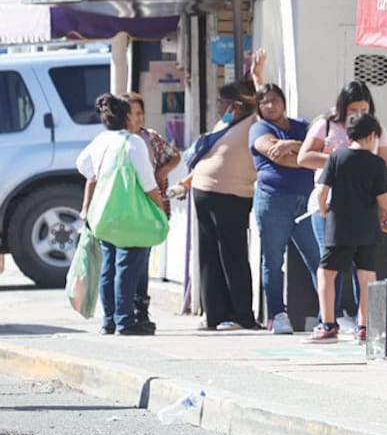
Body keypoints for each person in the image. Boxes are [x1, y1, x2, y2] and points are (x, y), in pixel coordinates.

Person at [297, 80, 387, 324]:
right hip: (332, 200)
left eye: (364, 109)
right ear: (343, 107)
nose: (358, 115)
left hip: (364, 201)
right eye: (353, 110)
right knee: (330, 259)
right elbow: (304, 157)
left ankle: (358, 321)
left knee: (358, 265)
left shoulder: (376, 128)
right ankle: (331, 316)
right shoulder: (325, 124)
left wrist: (385, 204)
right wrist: (339, 161)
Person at [172, 79, 262, 330]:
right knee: (209, 256)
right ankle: (214, 314)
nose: (219, 107)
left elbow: (264, 105)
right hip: (205, 192)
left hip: (232, 195)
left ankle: (240, 315)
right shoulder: (225, 124)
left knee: (232, 255)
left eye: (223, 103)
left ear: (237, 105)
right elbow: (208, 157)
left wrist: (258, 76)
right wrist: (186, 184)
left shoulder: (253, 124)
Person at [76, 94, 163, 336]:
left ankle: (109, 321)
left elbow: (83, 166)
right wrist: (160, 208)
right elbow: (148, 184)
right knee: (126, 266)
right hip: (129, 215)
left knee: (109, 267)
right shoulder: (133, 143)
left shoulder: (100, 141)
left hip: (102, 213)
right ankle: (125, 321)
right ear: (127, 116)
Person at [250, 83, 320, 335]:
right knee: (273, 260)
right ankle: (277, 315)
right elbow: (276, 154)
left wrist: (290, 144)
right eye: (265, 101)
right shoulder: (259, 128)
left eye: (275, 100)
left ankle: (329, 316)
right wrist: (302, 153)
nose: (271, 105)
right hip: (273, 201)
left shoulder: (301, 125)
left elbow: (320, 150)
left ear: (284, 101)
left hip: (305, 201)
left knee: (319, 259)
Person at [125, 93, 182, 334]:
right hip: (126, 211)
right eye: (130, 114)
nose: (135, 119)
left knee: (142, 261)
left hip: (150, 208)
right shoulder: (120, 142)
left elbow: (175, 156)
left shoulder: (150, 138)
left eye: (139, 114)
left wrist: (162, 172)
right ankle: (124, 312)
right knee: (128, 263)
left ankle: (141, 310)